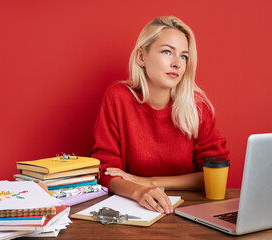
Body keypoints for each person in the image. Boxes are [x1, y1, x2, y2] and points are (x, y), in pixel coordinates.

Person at [91, 16, 229, 215]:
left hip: (188, 213)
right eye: (167, 52)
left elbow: (216, 173)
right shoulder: (118, 98)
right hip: (134, 211)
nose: (177, 64)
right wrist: (140, 192)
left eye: (183, 56)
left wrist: (149, 182)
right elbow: (107, 172)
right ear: (141, 57)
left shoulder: (198, 106)